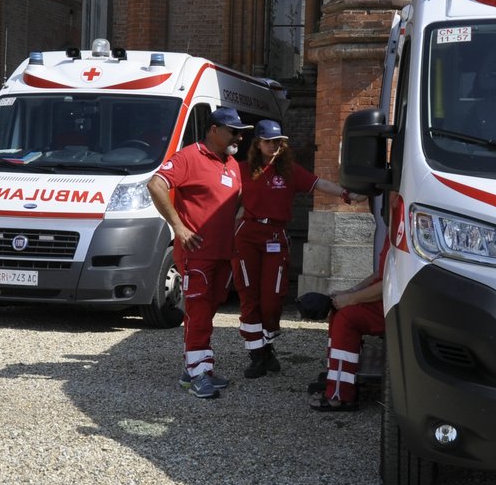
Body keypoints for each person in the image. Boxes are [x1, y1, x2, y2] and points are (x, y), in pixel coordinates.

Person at [147, 106, 252, 399]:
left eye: (241, 134)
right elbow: (155, 184)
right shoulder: (189, 157)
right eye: (234, 132)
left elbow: (235, 198)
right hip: (197, 253)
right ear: (214, 130)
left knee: (208, 309)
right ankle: (197, 374)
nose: (239, 138)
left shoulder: (230, 163)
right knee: (198, 311)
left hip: (221, 253)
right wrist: (178, 227)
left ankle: (195, 367)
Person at [234, 119, 349, 378]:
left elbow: (320, 184)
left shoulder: (289, 171)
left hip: (275, 235)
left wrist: (347, 194)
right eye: (268, 141)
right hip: (248, 235)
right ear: (258, 143)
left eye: (278, 141)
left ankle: (268, 344)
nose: (274, 145)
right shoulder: (241, 169)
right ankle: (257, 354)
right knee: (248, 294)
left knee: (272, 297)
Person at [311, 253, 386, 411]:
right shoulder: (392, 230)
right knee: (338, 311)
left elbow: (389, 282)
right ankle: (337, 377)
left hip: (391, 306)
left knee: (346, 318)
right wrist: (350, 292)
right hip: (384, 300)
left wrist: (352, 298)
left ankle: (340, 396)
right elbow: (380, 273)